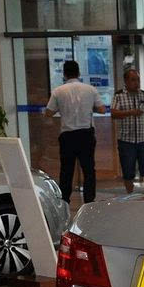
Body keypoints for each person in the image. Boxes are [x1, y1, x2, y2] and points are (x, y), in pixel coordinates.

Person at [44, 60, 105, 205]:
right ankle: (89, 201)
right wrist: (88, 109)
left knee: (66, 170)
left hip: (68, 135)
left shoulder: (58, 91)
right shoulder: (90, 89)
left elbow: (49, 112)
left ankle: (65, 200)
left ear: (64, 74)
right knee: (89, 170)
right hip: (86, 134)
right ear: (78, 73)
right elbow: (102, 109)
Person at [111, 67, 144, 193]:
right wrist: (131, 112)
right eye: (133, 80)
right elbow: (114, 114)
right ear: (126, 81)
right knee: (128, 172)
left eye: (138, 80)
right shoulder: (119, 96)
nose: (136, 83)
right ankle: (130, 194)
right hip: (126, 141)